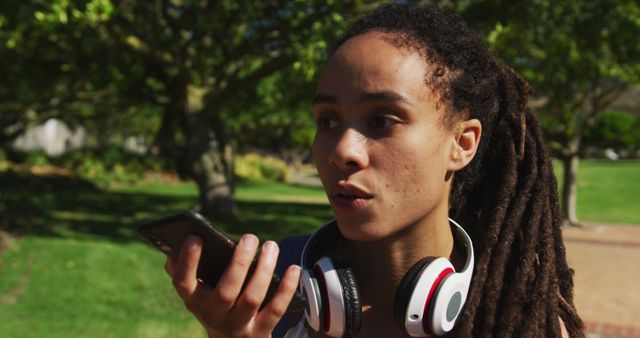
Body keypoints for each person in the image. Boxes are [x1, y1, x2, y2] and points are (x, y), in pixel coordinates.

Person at [164, 3, 584, 337]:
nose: (342, 151)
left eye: (382, 120)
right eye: (328, 120)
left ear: (462, 144)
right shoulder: (274, 291)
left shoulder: (511, 314)